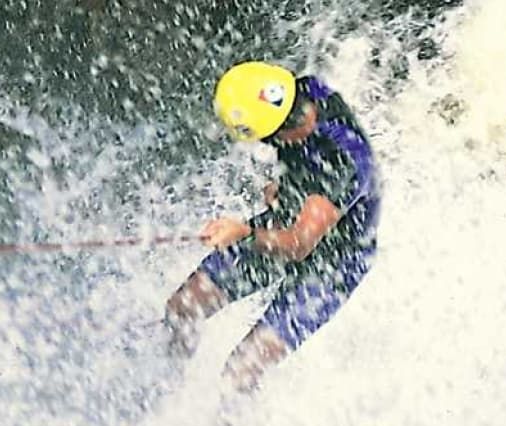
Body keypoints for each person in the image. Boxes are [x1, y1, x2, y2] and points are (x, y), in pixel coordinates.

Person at [163, 61, 380, 395]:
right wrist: (287, 189)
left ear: (278, 132)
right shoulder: (299, 93)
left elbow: (298, 244)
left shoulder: (342, 163)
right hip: (296, 219)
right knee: (184, 307)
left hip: (333, 265)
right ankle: (166, 388)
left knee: (239, 373)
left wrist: (243, 234)